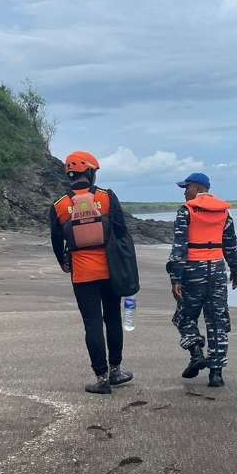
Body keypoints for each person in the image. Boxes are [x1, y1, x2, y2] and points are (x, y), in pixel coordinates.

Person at [50, 151, 135, 395]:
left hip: (81, 273)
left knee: (92, 323)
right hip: (110, 269)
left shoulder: (59, 205)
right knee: (113, 318)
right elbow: (120, 231)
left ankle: (101, 377)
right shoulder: (107, 197)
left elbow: (56, 240)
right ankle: (116, 369)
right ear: (90, 172)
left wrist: (62, 262)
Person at [167, 172, 237, 388]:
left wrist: (175, 277)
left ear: (198, 188)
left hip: (193, 270)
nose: (184, 192)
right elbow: (231, 244)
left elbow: (179, 246)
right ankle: (216, 374)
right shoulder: (223, 212)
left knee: (184, 316)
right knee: (217, 320)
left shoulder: (186, 211)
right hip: (217, 270)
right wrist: (236, 270)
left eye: (186, 187)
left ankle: (196, 352)